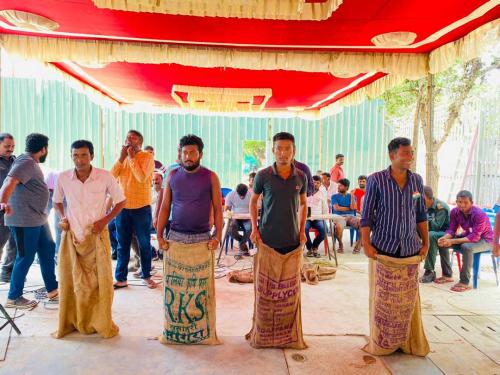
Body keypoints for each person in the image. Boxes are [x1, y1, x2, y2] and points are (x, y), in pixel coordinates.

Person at [361, 137, 429, 357]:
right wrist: (366, 243)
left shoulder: (417, 182)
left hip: (410, 248)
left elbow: (420, 214)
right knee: (383, 300)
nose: (410, 157)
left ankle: (405, 341)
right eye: (405, 153)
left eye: (411, 153)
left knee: (405, 301)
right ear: (392, 156)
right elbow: (366, 215)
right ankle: (382, 343)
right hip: (384, 248)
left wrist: (426, 242)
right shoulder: (376, 180)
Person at [53, 140, 125, 338]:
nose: (79, 159)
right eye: (75, 155)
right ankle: (74, 321)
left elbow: (121, 202)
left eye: (84, 155)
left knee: (100, 282)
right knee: (73, 282)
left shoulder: (104, 176)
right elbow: (57, 201)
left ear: (92, 156)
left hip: (97, 237)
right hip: (73, 237)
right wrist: (63, 217)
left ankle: (100, 322)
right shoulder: (63, 178)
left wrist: (105, 221)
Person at [247, 132, 307, 349]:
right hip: (268, 241)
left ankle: (286, 335)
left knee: (288, 292)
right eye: (279, 148)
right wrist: (255, 229)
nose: (283, 153)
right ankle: (262, 333)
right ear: (273, 150)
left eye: (287, 149)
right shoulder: (263, 176)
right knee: (266, 291)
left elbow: (303, 204)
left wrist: (302, 231)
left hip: (292, 241)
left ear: (294, 151)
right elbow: (253, 202)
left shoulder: (301, 176)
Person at [0, 133, 58, 309]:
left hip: (38, 218)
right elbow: (8, 181)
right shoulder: (25, 162)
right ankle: (14, 297)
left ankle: (53, 289)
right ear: (43, 149)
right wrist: (3, 201)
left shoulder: (29, 161)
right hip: (24, 220)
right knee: (25, 257)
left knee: (48, 249)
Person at [157, 134, 223, 253]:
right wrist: (159, 236)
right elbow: (165, 207)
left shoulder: (211, 177)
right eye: (185, 152)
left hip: (202, 237)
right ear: (180, 154)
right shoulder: (172, 175)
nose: (188, 156)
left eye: (193, 152)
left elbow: (218, 208)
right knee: (174, 272)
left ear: (200, 155)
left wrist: (217, 237)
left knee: (202, 272)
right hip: (175, 236)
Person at [111, 130, 156, 289]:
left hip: (141, 207)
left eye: (133, 137)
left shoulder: (147, 157)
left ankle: (146, 275)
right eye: (127, 137)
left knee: (144, 244)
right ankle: (121, 278)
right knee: (122, 244)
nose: (129, 139)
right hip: (122, 207)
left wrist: (131, 158)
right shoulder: (122, 159)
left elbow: (142, 177)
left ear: (140, 142)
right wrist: (122, 158)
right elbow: (111, 177)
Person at [436, 190, 493, 292]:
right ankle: (447, 275)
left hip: (486, 240)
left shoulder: (479, 214)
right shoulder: (455, 212)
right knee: (442, 244)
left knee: (466, 247)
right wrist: (445, 238)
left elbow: (474, 237)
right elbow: (452, 229)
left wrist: (452, 241)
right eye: (459, 202)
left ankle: (464, 282)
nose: (462, 205)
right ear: (456, 201)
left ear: (471, 202)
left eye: (465, 202)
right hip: (468, 236)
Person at [420, 186, 450, 283]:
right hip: (431, 231)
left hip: (445, 233)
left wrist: (423, 218)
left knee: (431, 235)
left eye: (421, 200)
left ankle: (430, 271)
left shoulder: (441, 207)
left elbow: (436, 227)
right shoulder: (422, 205)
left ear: (427, 198)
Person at [0, 133, 17, 283]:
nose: (10, 149)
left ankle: (7, 272)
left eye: (12, 146)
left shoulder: (15, 160)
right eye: (7, 146)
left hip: (15, 208)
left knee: (15, 241)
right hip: (1, 208)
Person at [331, 178, 361, 253]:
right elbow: (337, 208)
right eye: (338, 185)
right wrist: (349, 208)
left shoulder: (352, 196)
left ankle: (358, 244)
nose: (338, 187)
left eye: (340, 186)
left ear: (346, 187)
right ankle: (340, 244)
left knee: (363, 223)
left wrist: (352, 195)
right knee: (338, 227)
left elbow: (354, 207)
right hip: (339, 217)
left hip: (351, 217)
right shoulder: (334, 196)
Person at [225, 183, 252, 259]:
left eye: (244, 195)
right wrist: (229, 213)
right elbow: (226, 209)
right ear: (236, 191)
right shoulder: (231, 195)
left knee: (250, 228)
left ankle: (241, 244)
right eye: (240, 195)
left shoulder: (250, 194)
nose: (242, 197)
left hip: (247, 217)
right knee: (230, 229)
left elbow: (254, 207)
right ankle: (242, 243)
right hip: (235, 217)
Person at [305, 175, 328, 257]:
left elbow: (325, 208)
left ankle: (315, 247)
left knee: (324, 230)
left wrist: (325, 218)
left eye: (317, 183)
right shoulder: (305, 193)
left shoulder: (322, 194)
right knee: (303, 230)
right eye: (314, 182)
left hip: (318, 218)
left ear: (320, 184)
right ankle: (310, 248)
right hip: (306, 218)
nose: (315, 184)